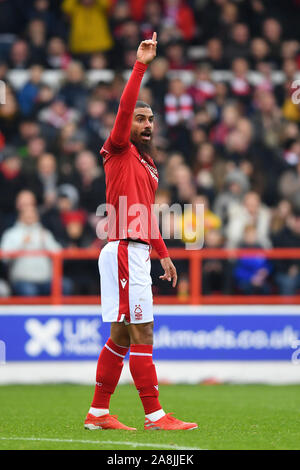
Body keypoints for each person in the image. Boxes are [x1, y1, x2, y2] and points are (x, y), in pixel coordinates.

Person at [84, 33, 197, 431]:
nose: (147, 124)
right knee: (142, 328)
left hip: (134, 250)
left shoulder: (148, 166)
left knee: (121, 335)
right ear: (126, 123)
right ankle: (154, 414)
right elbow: (125, 106)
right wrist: (141, 65)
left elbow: (147, 216)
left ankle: (98, 412)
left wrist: (163, 253)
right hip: (123, 251)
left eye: (151, 120)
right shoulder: (117, 149)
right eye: (140, 118)